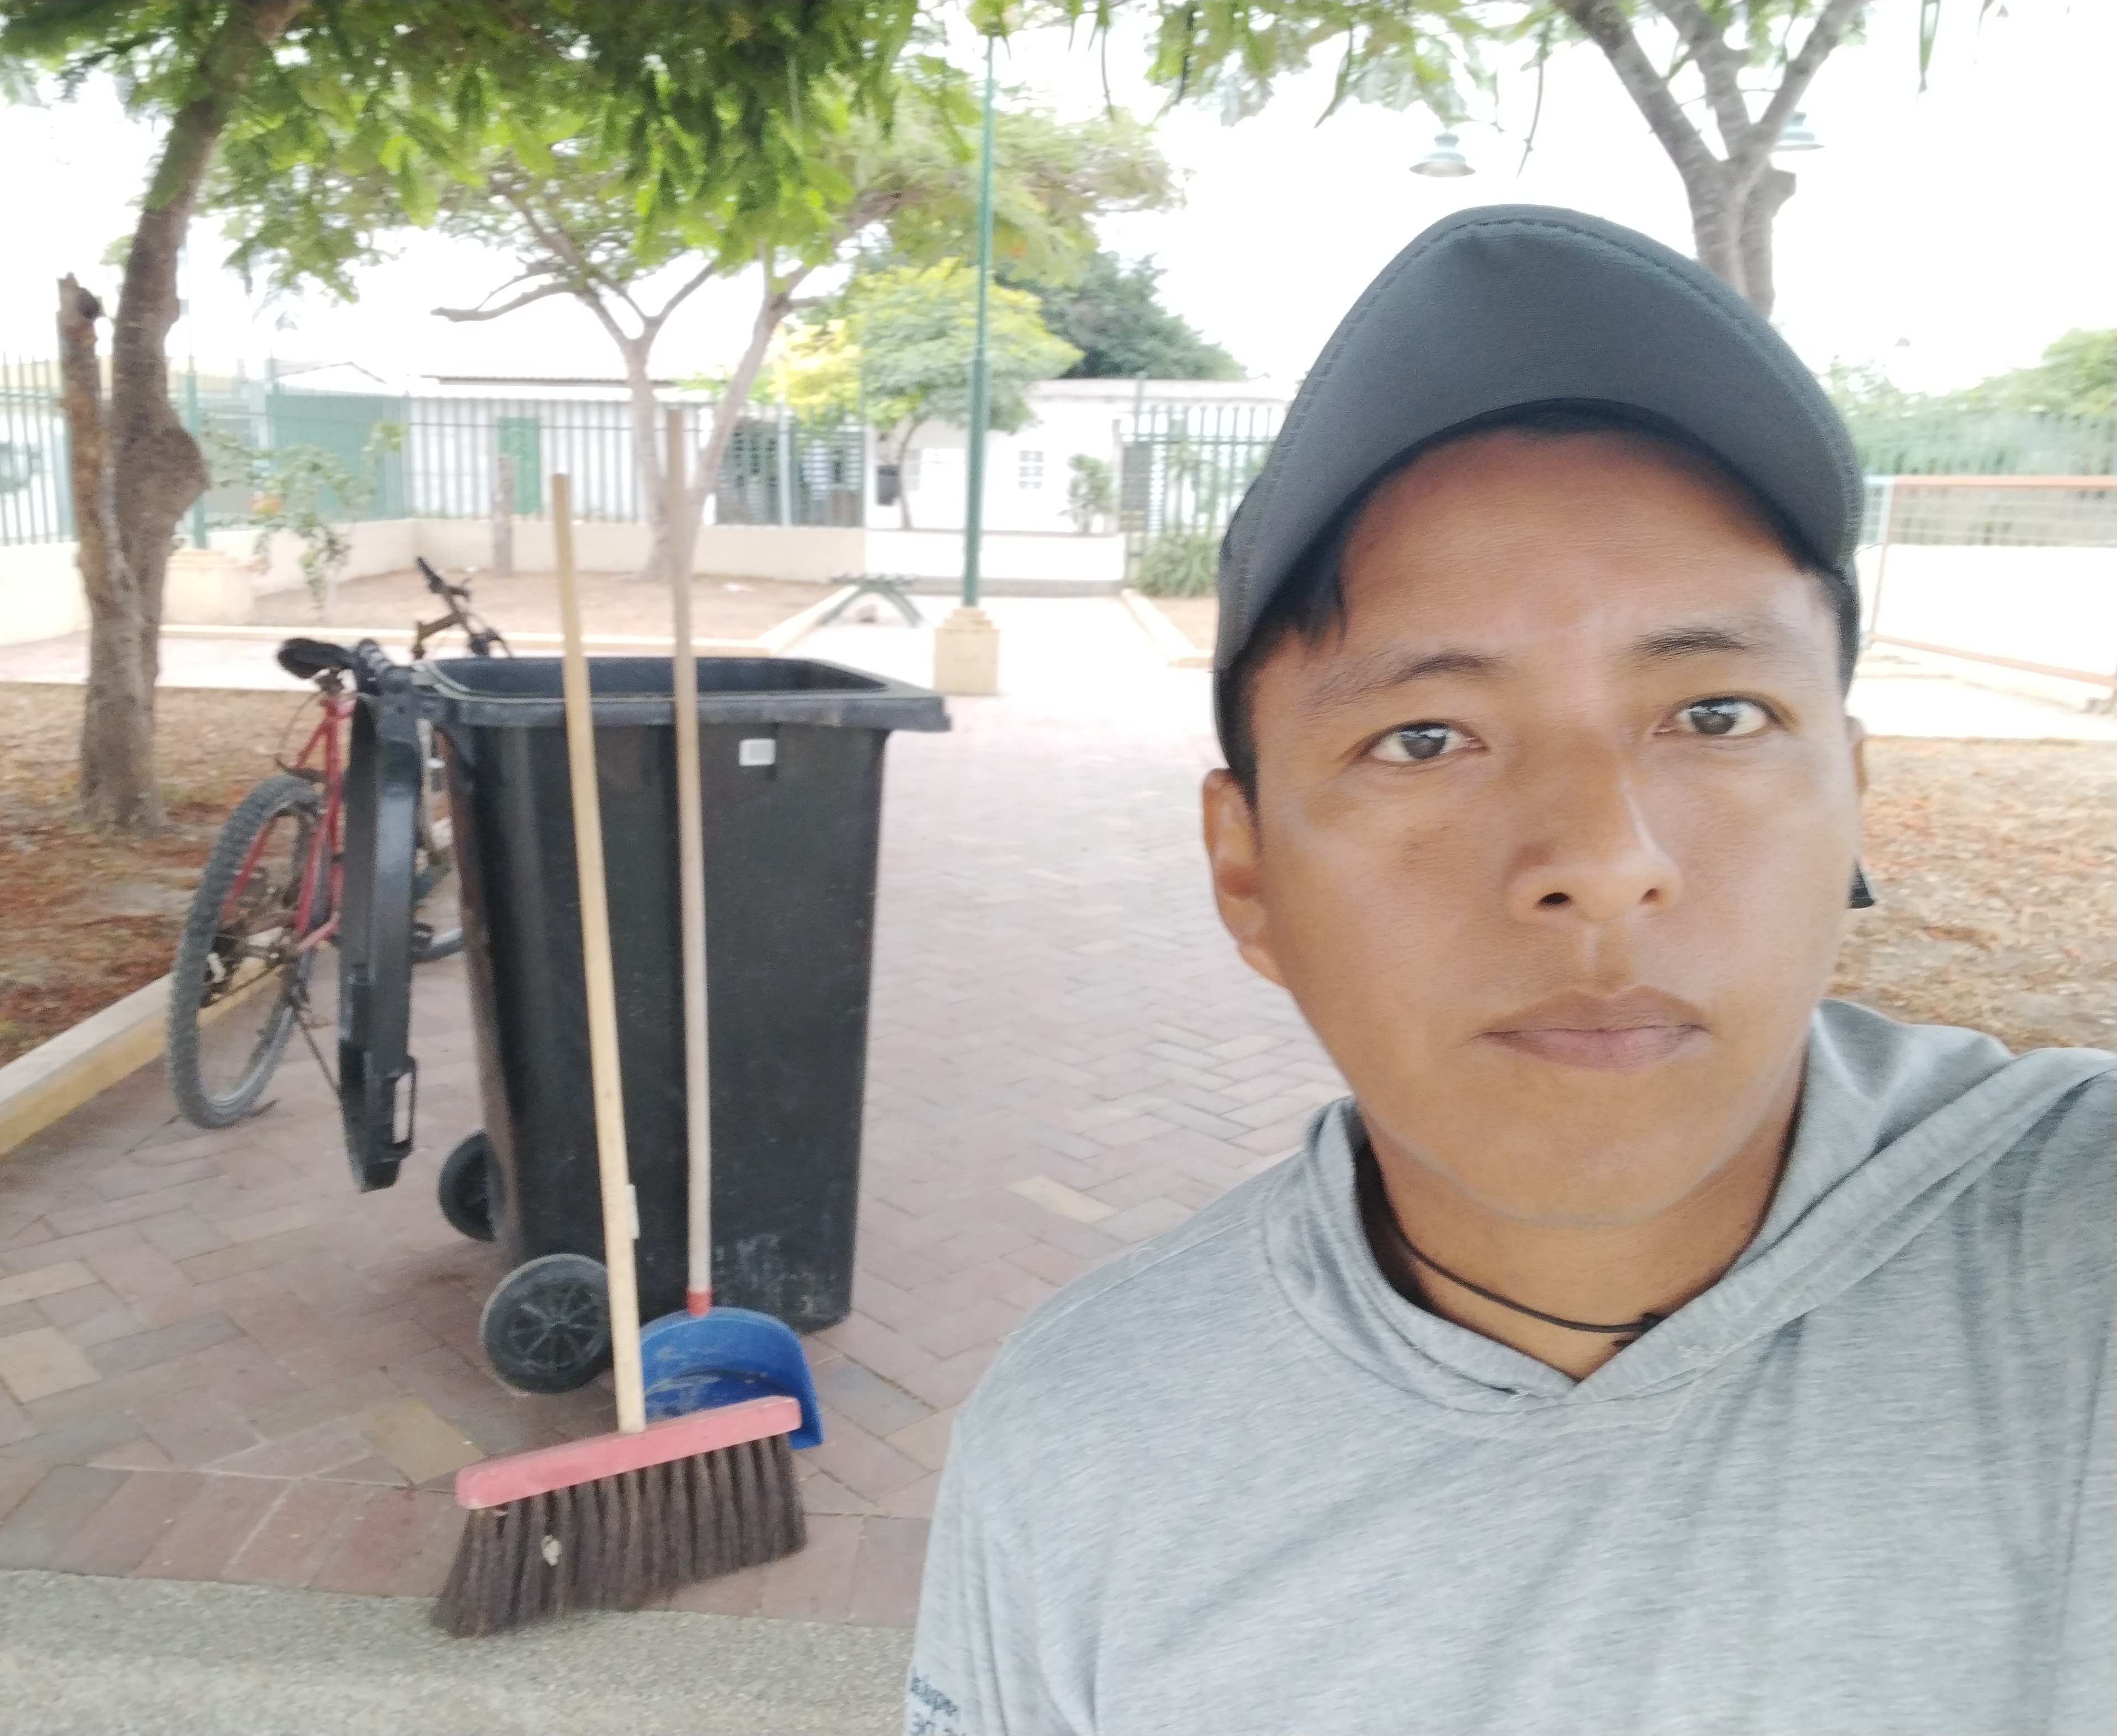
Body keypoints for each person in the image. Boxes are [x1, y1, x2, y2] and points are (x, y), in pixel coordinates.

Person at [905, 206, 2113, 1736]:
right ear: (1248, 872)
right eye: (1425, 738)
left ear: (1853, 804)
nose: (1603, 858)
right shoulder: (1081, 1444)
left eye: (1718, 716)